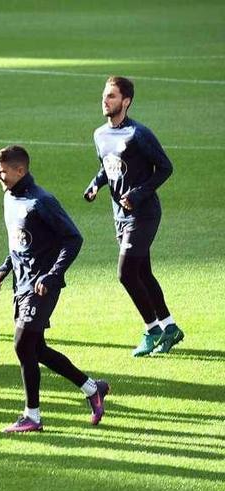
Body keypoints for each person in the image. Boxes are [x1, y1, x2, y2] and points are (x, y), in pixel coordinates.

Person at [0, 145, 109, 433]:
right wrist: (6, 266)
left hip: (42, 285)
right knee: (37, 349)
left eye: (3, 172)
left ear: (21, 170)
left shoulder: (41, 201)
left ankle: (32, 416)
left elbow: (73, 239)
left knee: (22, 345)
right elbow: (21, 241)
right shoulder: (10, 197)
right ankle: (93, 388)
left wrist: (53, 275)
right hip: (21, 284)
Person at [84, 76, 182, 357]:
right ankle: (170, 327)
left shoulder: (139, 134)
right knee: (142, 272)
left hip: (145, 213)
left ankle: (152, 330)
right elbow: (107, 166)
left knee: (126, 273)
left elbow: (165, 168)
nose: (105, 100)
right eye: (104, 95)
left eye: (112, 96)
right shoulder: (100, 134)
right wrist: (95, 184)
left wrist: (138, 194)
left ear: (126, 102)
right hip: (120, 215)